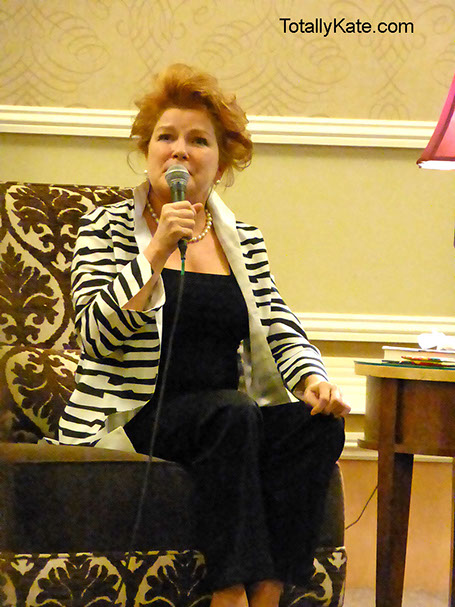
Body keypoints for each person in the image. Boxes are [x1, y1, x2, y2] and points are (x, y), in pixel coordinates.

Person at [59, 63, 350, 607]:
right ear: (148, 151)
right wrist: (154, 253)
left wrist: (313, 380)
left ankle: (268, 588)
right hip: (137, 413)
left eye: (198, 140)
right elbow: (96, 336)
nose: (179, 151)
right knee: (231, 413)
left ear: (220, 161)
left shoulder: (243, 240)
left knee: (315, 428)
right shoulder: (105, 228)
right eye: (165, 137)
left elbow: (278, 324)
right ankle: (228, 591)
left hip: (224, 419)